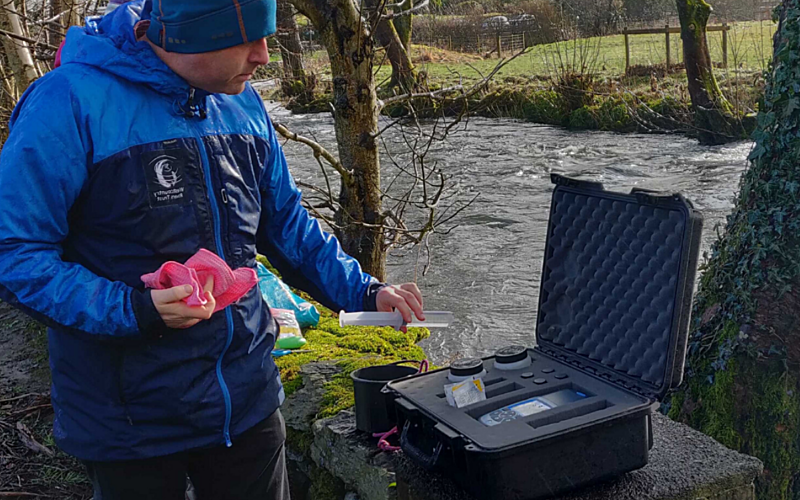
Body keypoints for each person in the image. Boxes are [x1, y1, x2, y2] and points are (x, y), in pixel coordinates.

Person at [0, 1, 425, 499]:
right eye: (245, 40)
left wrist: (365, 292)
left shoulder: (242, 102)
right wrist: (133, 309)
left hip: (248, 402)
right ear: (184, 36)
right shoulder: (69, 102)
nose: (264, 57)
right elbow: (15, 253)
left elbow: (286, 224)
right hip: (127, 419)